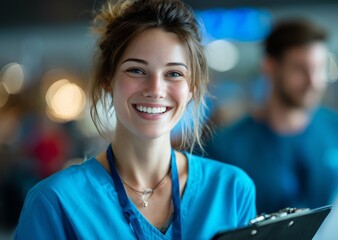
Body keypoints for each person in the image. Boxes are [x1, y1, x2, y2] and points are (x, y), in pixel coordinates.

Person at [14, 0, 256, 239]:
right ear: (108, 79)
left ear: (191, 87)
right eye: (137, 70)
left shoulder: (231, 190)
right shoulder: (56, 202)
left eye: (174, 73)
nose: (155, 89)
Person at [204, 19, 338, 213]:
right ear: (270, 67)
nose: (313, 82)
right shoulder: (226, 147)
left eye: (320, 68)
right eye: (300, 69)